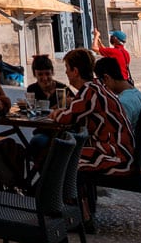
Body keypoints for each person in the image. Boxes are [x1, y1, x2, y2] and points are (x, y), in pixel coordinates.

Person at [51, 48, 133, 179]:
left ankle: (62, 197)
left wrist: (56, 113)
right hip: (122, 152)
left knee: (62, 156)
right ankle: (75, 197)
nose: (66, 72)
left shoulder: (90, 90)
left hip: (116, 156)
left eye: (67, 68)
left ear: (75, 71)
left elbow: (65, 118)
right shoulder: (98, 86)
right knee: (64, 153)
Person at [94, 56, 141, 131]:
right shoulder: (138, 94)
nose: (103, 87)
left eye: (101, 82)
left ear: (106, 78)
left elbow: (119, 132)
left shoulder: (123, 102)